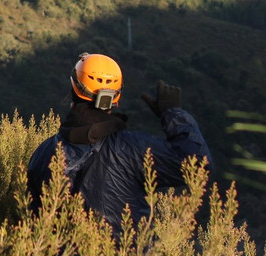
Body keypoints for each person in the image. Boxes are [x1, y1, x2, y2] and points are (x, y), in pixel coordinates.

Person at [26, 52, 211, 231]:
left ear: (73, 90)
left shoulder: (44, 153)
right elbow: (198, 167)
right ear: (115, 98)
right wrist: (173, 114)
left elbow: (34, 223)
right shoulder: (131, 148)